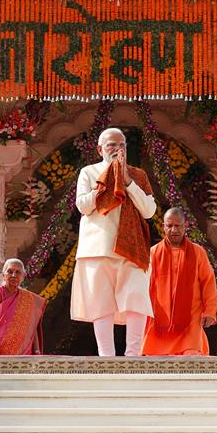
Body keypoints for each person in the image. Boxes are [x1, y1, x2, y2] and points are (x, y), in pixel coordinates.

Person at [71, 127, 157, 357]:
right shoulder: (89, 173)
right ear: (100, 149)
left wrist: (127, 182)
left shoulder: (137, 175)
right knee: (101, 303)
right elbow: (83, 206)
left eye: (121, 145)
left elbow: (149, 211)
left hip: (132, 248)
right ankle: (106, 357)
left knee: (137, 298)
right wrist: (107, 181)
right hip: (97, 248)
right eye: (111, 145)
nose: (117, 149)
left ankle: (133, 355)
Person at [142, 207, 217, 357]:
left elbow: (208, 282)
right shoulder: (153, 253)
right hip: (160, 321)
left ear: (185, 226)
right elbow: (144, 285)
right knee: (156, 359)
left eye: (178, 225)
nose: (173, 229)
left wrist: (209, 311)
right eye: (169, 225)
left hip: (190, 320)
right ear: (163, 226)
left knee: (191, 359)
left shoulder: (197, 252)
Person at [0, 258, 46, 355]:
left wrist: (36, 351)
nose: (14, 275)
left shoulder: (28, 298)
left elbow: (32, 328)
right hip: (0, 353)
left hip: (24, 354)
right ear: (3, 275)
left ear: (23, 276)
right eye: (10, 271)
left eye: (18, 272)